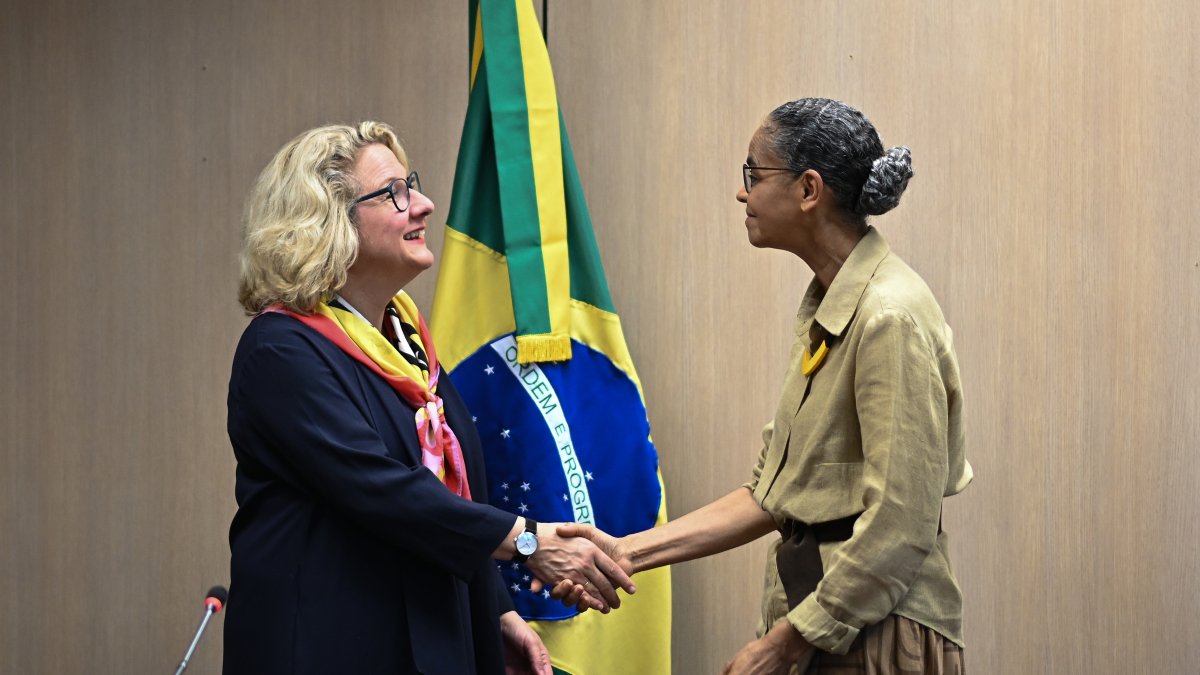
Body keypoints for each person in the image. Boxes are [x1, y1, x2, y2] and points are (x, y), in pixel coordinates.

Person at [555, 98, 974, 674]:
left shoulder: (888, 317)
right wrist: (625, 551)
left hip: (874, 633)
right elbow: (771, 493)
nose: (741, 192)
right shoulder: (832, 302)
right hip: (822, 621)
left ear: (808, 190)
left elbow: (900, 527)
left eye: (753, 173)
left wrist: (785, 644)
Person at [223, 122, 634, 675]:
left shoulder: (406, 341)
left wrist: (495, 609)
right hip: (329, 645)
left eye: (411, 184)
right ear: (328, 222)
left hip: (427, 635)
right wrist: (531, 544)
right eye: (394, 192)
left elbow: (452, 493)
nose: (423, 204)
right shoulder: (281, 350)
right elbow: (382, 489)